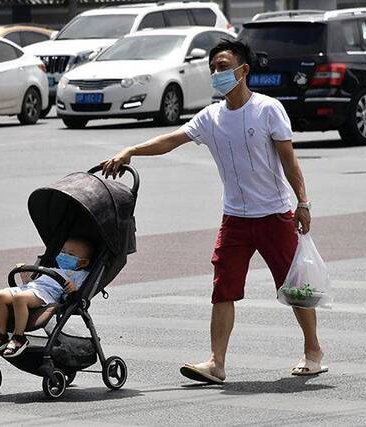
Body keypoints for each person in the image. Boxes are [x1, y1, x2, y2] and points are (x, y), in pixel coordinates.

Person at [100, 39, 326, 383]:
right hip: (234, 218)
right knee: (223, 287)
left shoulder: (268, 110)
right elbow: (172, 140)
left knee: (294, 286)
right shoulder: (211, 117)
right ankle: (216, 363)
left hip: (274, 215)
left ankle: (313, 351)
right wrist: (131, 149)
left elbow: (288, 159)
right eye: (213, 68)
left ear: (243, 70)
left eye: (223, 66)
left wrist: (303, 202)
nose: (216, 74)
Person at [0, 237, 93, 357]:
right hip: (31, 289)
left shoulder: (80, 275)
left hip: (47, 295)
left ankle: (19, 338)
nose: (64, 256)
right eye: (63, 252)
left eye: (70, 254)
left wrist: (74, 289)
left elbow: (76, 294)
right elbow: (34, 284)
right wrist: (26, 277)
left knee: (20, 298)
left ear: (84, 262)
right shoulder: (53, 269)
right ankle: (1, 335)